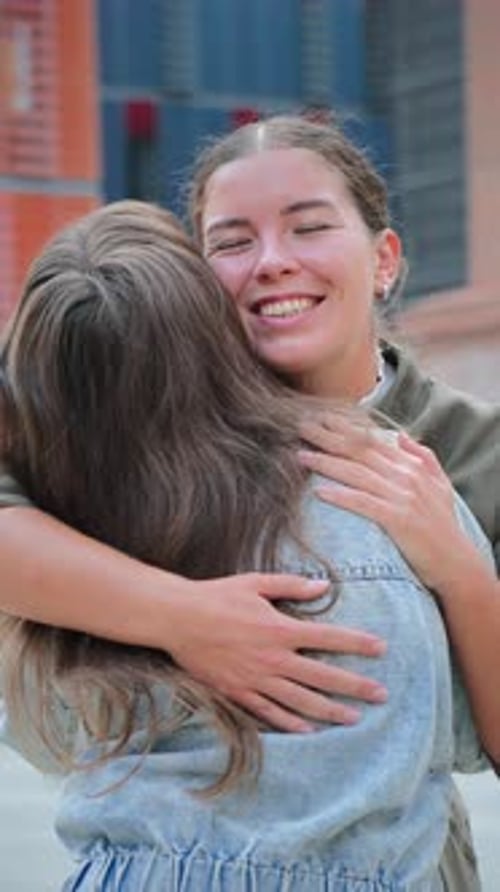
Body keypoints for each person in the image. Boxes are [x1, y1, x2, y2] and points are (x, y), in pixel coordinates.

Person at [1, 115, 499, 887]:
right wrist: (182, 617)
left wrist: (462, 574)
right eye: (231, 243)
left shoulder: (473, 447)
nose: (272, 262)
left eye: (309, 228)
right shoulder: (124, 435)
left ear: (385, 261)